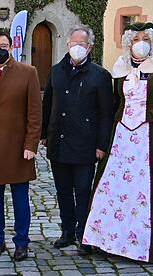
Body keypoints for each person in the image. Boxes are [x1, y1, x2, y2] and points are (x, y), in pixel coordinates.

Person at [81, 22, 153, 262]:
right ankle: (108, 240)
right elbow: (114, 101)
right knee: (114, 187)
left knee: (152, 187)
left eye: (145, 38)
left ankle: (148, 243)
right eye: (136, 38)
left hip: (152, 133)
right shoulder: (120, 68)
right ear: (128, 43)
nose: (140, 43)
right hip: (122, 135)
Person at [41, 25, 114, 256]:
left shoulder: (100, 76)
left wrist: (102, 145)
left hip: (85, 143)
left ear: (89, 47)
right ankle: (67, 231)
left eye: (81, 45)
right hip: (59, 141)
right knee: (62, 190)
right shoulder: (56, 71)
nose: (77, 48)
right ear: (68, 45)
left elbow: (106, 113)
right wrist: (43, 134)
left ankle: (85, 233)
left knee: (82, 190)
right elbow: (47, 104)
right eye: (73, 44)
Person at [0, 31, 41, 261]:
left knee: (20, 199)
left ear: (11, 47)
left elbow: (35, 112)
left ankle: (21, 242)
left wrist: (31, 144)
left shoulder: (28, 73)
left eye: (3, 45)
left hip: (19, 149)